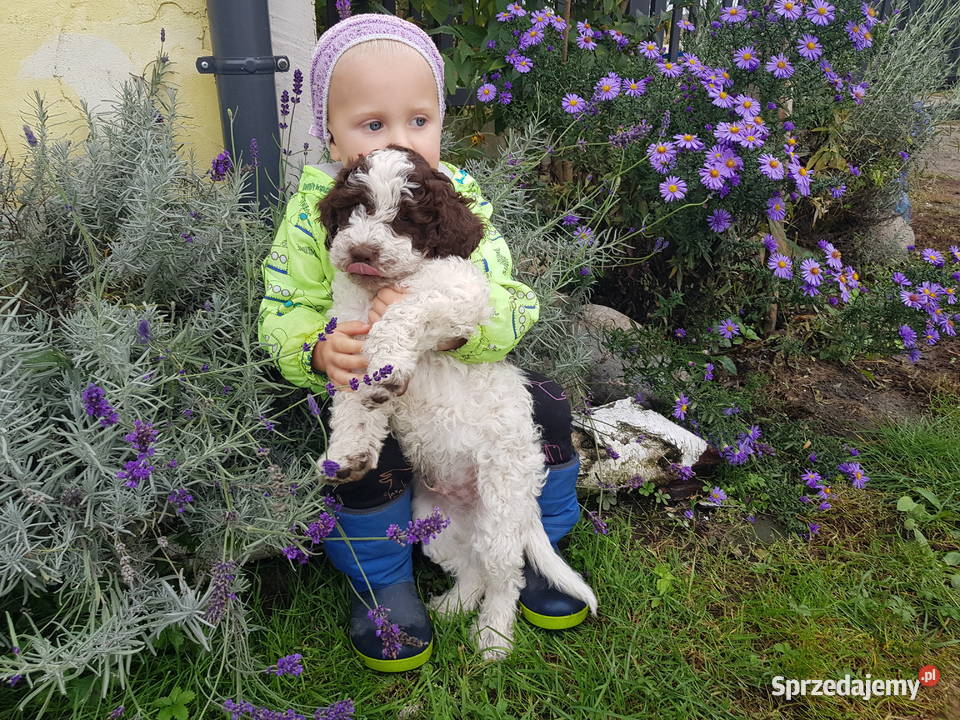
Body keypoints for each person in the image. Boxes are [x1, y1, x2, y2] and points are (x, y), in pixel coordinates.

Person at [257, 13, 587, 672]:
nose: (403, 140)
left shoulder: (456, 195)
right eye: (373, 124)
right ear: (329, 128)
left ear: (443, 119)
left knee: (548, 409)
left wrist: (462, 330)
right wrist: (318, 348)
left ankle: (534, 548)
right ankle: (383, 583)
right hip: (369, 385)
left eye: (419, 120)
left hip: (459, 390)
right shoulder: (313, 208)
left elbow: (511, 301)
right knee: (357, 456)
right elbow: (282, 307)